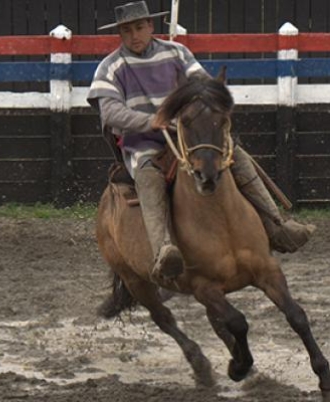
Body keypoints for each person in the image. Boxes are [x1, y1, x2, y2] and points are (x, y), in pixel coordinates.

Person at [87, 1, 315, 280]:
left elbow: (204, 86)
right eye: (126, 30)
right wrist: (151, 121)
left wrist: (199, 113)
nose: (134, 35)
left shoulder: (177, 53)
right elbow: (109, 111)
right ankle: (163, 250)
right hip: (144, 142)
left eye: (138, 27)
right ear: (120, 33)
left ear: (150, 26)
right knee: (148, 177)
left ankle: (276, 225)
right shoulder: (110, 67)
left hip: (188, 134)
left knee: (237, 156)